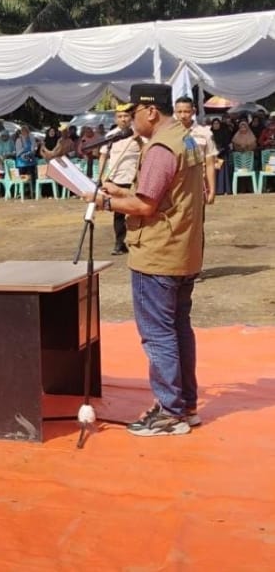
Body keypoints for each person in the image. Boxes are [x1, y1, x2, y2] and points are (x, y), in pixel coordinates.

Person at [87, 83, 203, 436]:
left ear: (151, 111)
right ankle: (185, 405)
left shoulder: (160, 147)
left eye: (133, 112)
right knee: (178, 329)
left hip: (157, 253)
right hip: (182, 250)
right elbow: (163, 194)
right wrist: (122, 192)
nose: (130, 119)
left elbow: (145, 206)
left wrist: (104, 202)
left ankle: (170, 411)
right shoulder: (183, 138)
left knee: (158, 335)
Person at [97, 104, 143, 255]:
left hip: (134, 178)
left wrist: (140, 141)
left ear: (131, 117)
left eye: (126, 116)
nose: (123, 119)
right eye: (120, 116)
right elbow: (103, 156)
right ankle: (119, 243)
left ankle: (139, 241)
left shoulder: (140, 134)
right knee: (118, 212)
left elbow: (148, 152)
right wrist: (100, 177)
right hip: (116, 177)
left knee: (138, 210)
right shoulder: (111, 135)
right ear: (116, 118)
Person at [174, 97, 216, 206]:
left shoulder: (204, 133)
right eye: (179, 112)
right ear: (174, 112)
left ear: (193, 111)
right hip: (175, 186)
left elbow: (210, 163)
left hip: (197, 184)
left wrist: (211, 190)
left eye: (187, 111)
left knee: (198, 221)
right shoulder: (169, 133)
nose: (183, 115)